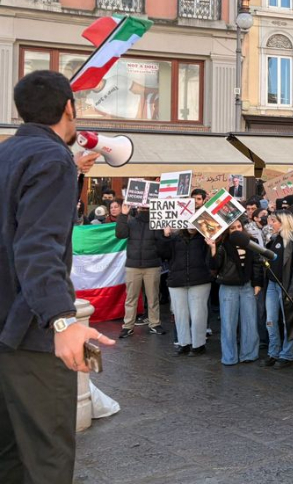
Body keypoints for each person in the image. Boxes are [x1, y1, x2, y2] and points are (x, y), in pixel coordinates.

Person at [0, 70, 114, 483]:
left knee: (9, 457)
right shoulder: (51, 159)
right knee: (47, 459)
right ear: (69, 107)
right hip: (29, 336)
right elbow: (36, 247)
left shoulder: (7, 153)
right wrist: (62, 321)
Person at [259, 211, 293, 369]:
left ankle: (287, 354)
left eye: (274, 221)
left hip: (286, 287)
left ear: (283, 222)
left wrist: (291, 291)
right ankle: (273, 352)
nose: (270, 223)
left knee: (288, 321)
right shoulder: (274, 238)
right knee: (270, 321)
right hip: (272, 285)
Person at [211, 219, 262, 366]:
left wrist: (257, 283)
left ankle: (249, 354)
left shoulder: (251, 242)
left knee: (250, 321)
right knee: (228, 323)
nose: (237, 229)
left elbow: (257, 263)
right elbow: (214, 265)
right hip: (228, 287)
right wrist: (213, 248)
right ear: (228, 230)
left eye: (239, 226)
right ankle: (229, 357)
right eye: (233, 228)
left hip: (247, 286)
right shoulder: (223, 244)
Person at [158, 226, 214, 355]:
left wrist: (211, 244)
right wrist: (165, 237)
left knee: (198, 315)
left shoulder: (205, 238)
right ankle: (184, 344)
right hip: (177, 280)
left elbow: (212, 260)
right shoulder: (174, 237)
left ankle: (198, 345)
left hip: (199, 279)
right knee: (180, 315)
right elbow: (163, 254)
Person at [116, 202, 166, 337]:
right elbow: (120, 234)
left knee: (152, 297)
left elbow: (162, 245)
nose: (144, 209)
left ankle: (154, 323)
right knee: (132, 298)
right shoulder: (131, 222)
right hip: (134, 266)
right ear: (137, 207)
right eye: (142, 206)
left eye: (146, 206)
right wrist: (123, 215)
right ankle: (128, 326)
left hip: (151, 265)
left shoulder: (157, 222)